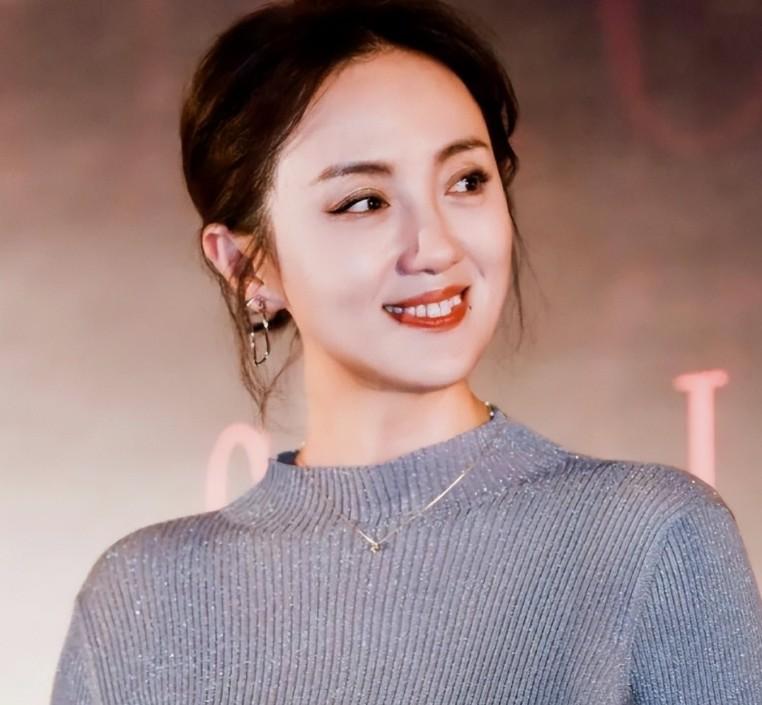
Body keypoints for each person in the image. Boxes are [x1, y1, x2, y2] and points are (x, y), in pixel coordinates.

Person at [50, 0, 762, 703]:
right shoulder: (138, 600)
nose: (436, 246)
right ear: (245, 265)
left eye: (466, 181)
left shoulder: (651, 538)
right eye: (364, 201)